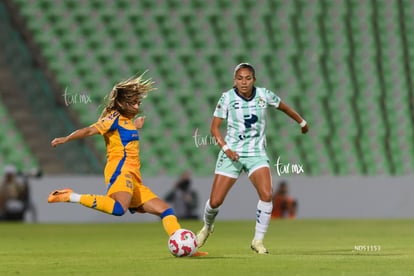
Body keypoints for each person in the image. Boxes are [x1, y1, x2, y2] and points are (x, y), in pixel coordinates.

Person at [47, 73, 206, 256]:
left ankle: (187, 248)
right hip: (120, 171)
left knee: (166, 210)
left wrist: (135, 126)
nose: (138, 104)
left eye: (138, 100)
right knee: (118, 209)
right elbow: (90, 129)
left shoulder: (127, 122)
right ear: (122, 103)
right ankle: (70, 196)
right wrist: (66, 138)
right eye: (133, 101)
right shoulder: (112, 118)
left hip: (134, 177)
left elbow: (123, 136)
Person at [196, 63, 309, 254]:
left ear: (254, 80)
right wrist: (226, 148)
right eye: (240, 78)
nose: (244, 82)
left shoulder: (264, 95)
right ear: (235, 80)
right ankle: (207, 227)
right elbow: (214, 128)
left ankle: (258, 240)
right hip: (231, 153)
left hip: (256, 153)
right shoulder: (227, 97)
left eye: (248, 78)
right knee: (215, 202)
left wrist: (302, 122)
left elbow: (285, 108)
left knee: (266, 194)